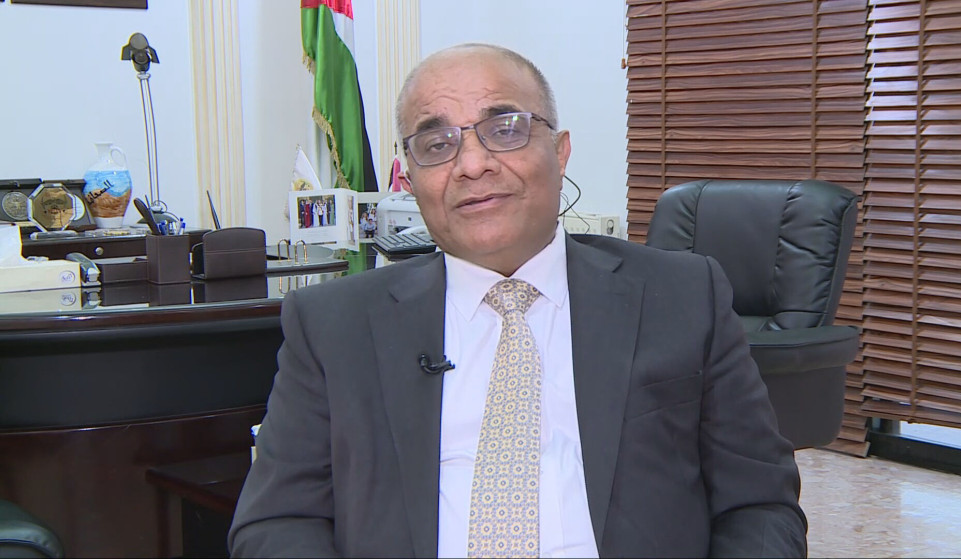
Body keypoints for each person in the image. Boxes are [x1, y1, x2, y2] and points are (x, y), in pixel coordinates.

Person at [229, 43, 806, 558]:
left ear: (560, 150)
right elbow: (277, 523)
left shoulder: (682, 296)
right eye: (438, 143)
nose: (472, 164)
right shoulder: (332, 325)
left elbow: (759, 505)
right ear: (409, 177)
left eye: (504, 129)